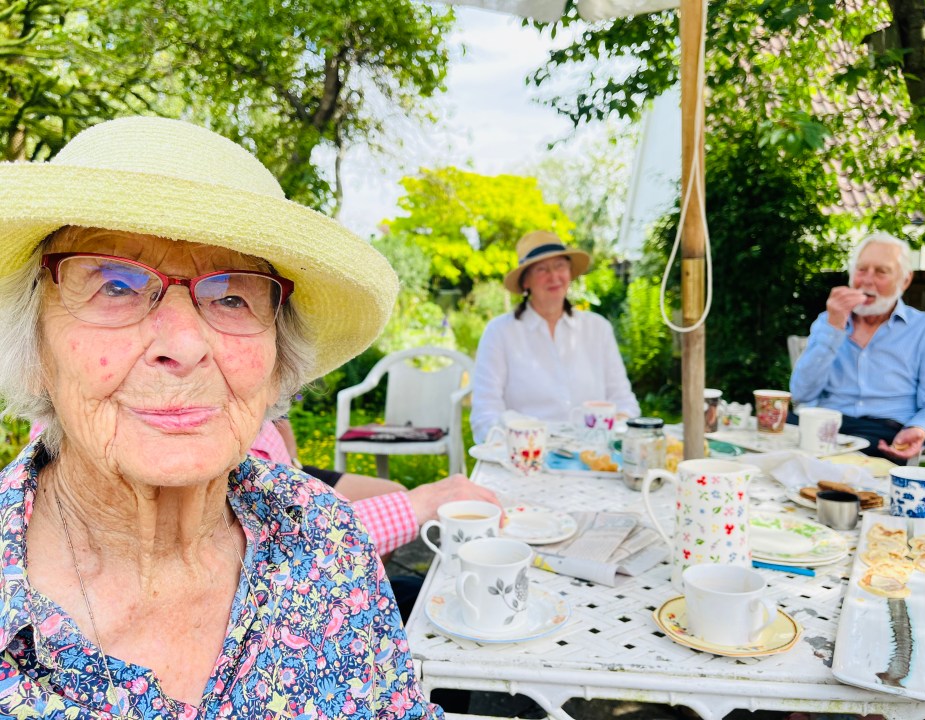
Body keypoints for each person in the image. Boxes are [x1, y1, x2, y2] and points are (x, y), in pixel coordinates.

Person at [0, 116, 442, 717]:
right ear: (36, 350)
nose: (183, 343)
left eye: (232, 295)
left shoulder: (325, 540)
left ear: (276, 360)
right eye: (115, 286)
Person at [790, 231, 925, 463]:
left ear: (905, 280)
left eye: (881, 272)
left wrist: (920, 429)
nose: (867, 280)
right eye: (861, 269)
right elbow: (801, 393)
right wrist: (834, 328)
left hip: (884, 434)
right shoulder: (828, 322)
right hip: (826, 427)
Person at [471, 230, 640, 443]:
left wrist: (611, 430)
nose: (554, 276)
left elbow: (624, 403)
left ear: (570, 272)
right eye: (541, 269)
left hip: (594, 455)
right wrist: (524, 442)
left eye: (560, 265)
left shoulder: (598, 328)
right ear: (525, 282)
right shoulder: (500, 333)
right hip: (527, 458)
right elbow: (485, 415)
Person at [252, 419, 500, 556]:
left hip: (291, 471)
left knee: (393, 493)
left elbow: (279, 412)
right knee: (402, 506)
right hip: (274, 495)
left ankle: (367, 584)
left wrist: (293, 460)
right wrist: (423, 502)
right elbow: (282, 544)